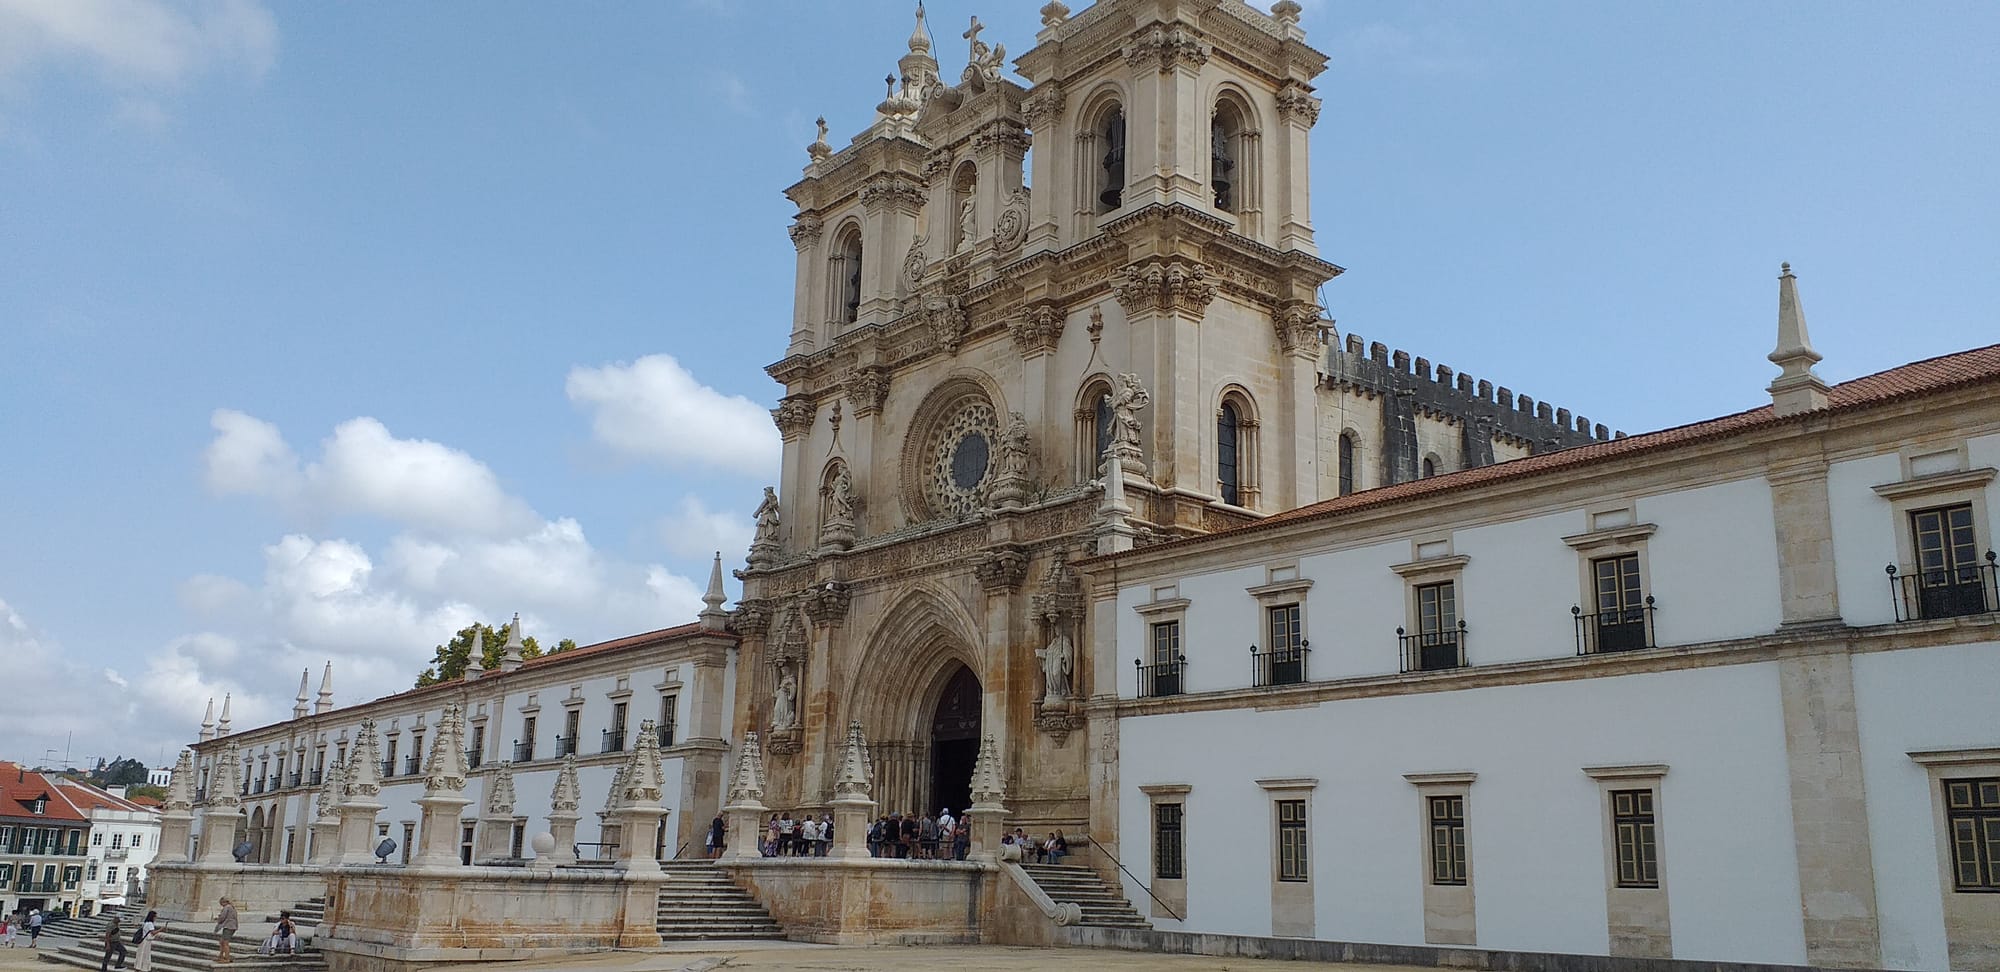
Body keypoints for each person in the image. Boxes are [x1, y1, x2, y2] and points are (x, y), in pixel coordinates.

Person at [213, 898, 238, 964]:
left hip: (229, 926)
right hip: (231, 926)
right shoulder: (231, 907)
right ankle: (221, 956)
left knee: (225, 943)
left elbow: (222, 917)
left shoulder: (227, 907)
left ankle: (227, 958)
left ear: (223, 902)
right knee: (222, 942)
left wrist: (218, 919)